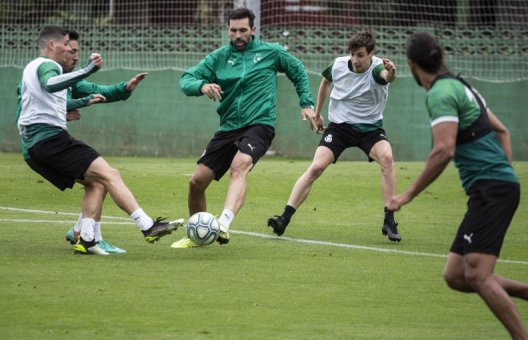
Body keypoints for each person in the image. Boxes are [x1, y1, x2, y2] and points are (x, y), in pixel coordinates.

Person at [388, 32, 528, 339]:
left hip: (491, 189)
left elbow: (444, 149)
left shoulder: (440, 93)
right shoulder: (463, 87)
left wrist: (408, 194)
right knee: (455, 274)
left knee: (479, 276)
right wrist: (504, 173)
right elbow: (502, 130)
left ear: (412, 65)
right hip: (495, 186)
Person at [17, 25, 183, 256]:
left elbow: (49, 100)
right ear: (52, 45)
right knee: (111, 175)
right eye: (66, 45)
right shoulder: (48, 66)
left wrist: (106, 94)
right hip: (49, 140)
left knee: (97, 183)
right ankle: (147, 226)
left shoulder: (37, 69)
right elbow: (50, 86)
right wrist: (89, 69)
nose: (70, 51)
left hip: (41, 144)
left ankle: (86, 239)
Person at [170, 7, 318, 248]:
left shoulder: (270, 52)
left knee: (239, 166)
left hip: (260, 124)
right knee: (196, 182)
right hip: (228, 127)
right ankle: (197, 234)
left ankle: (223, 225)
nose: (237, 35)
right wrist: (201, 86)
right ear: (228, 30)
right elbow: (186, 79)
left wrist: (307, 104)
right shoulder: (218, 57)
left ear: (253, 30)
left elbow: (298, 71)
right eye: (233, 30)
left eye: (242, 30)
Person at [266, 30, 400, 241]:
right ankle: (284, 218)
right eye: (353, 54)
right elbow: (326, 82)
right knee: (316, 167)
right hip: (339, 128)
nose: (356, 60)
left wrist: (391, 72)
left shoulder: (377, 70)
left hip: (370, 129)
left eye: (361, 55)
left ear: (371, 54)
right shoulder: (338, 64)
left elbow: (386, 76)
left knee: (387, 159)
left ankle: (389, 220)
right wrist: (318, 113)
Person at [61, 29, 150, 254]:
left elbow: (98, 91)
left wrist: (125, 88)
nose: (75, 56)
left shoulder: (71, 81)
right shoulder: (44, 76)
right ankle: (144, 226)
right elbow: (30, 105)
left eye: (77, 51)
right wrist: (66, 109)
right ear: (56, 48)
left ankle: (84, 233)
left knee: (99, 181)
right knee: (105, 176)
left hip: (53, 143)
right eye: (71, 51)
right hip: (45, 146)